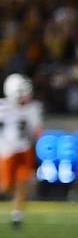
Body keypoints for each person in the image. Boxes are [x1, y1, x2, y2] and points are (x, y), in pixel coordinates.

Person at [1, 74, 44, 229]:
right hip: (7, 151)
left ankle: (17, 215)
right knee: (5, 186)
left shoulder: (33, 108)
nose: (25, 95)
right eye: (21, 92)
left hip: (24, 149)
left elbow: (37, 130)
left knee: (22, 183)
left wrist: (36, 130)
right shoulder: (3, 107)